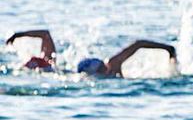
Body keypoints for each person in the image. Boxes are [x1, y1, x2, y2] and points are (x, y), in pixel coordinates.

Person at [6, 29, 176, 77]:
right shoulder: (59, 72)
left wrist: (168, 49)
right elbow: (45, 34)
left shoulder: (112, 66)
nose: (105, 68)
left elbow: (138, 44)